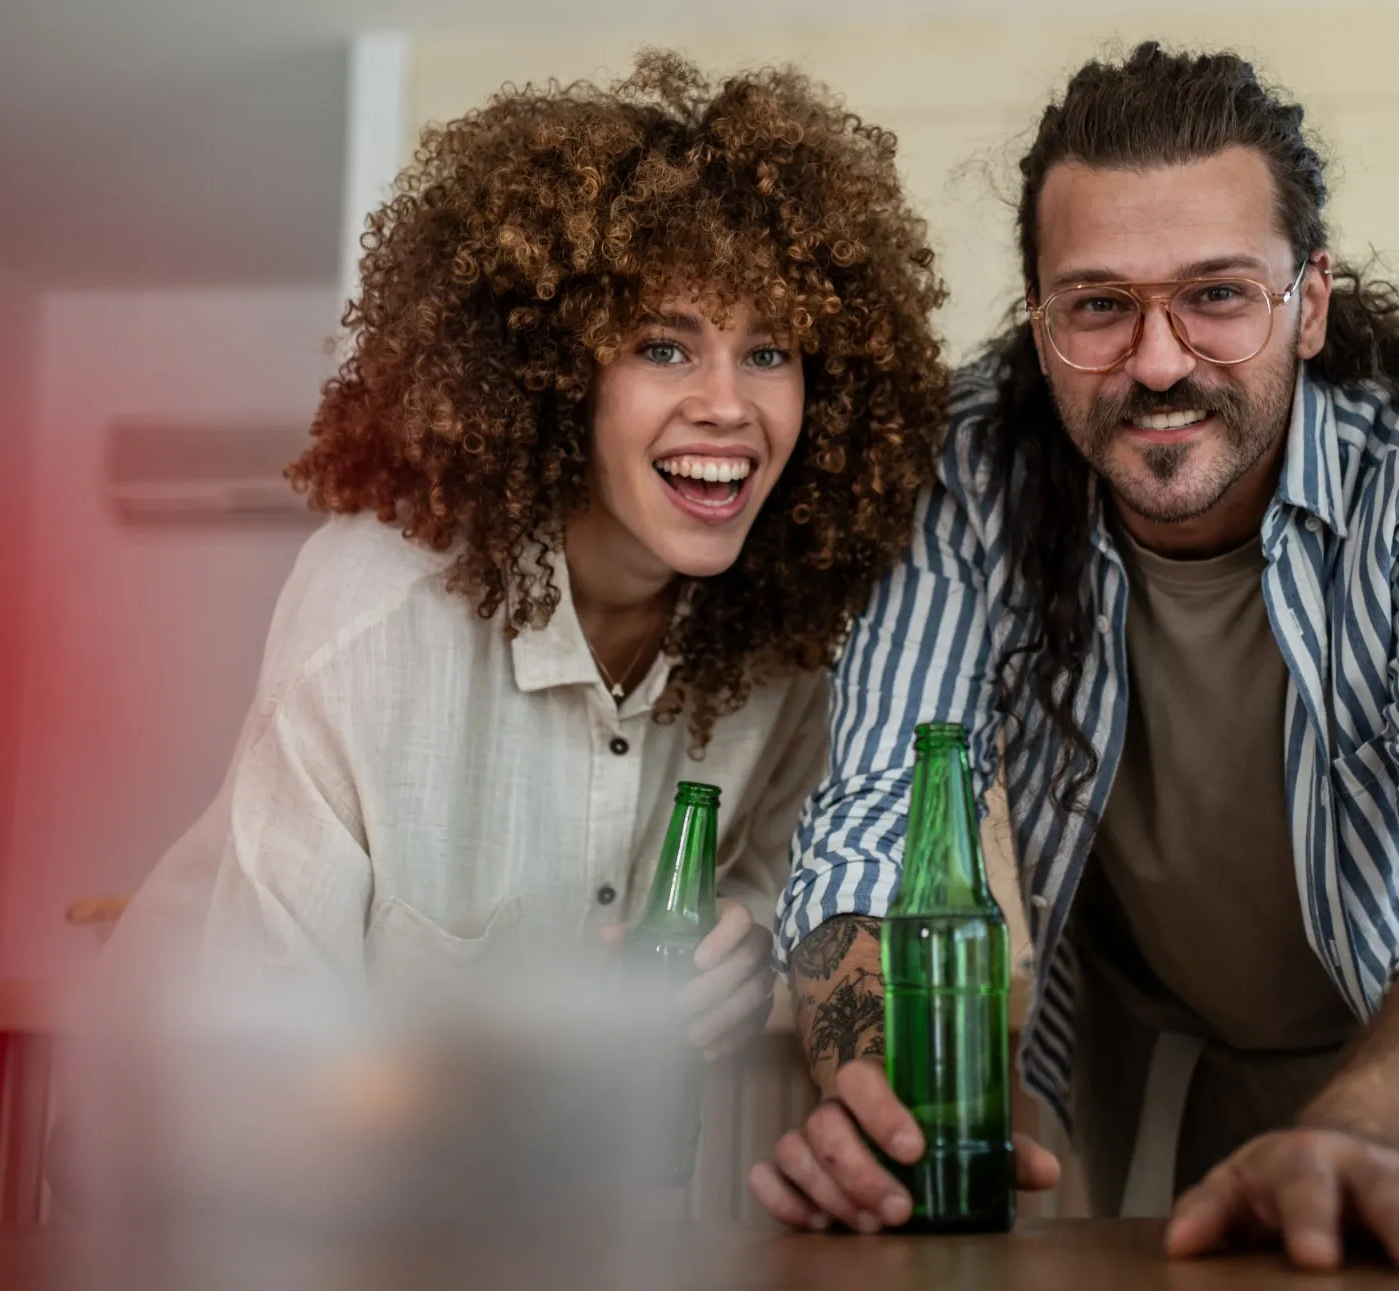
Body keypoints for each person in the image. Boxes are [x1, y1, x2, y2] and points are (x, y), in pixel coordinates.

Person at [752, 43, 1399, 1274]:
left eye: (1216, 295)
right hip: (1151, 1075)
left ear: (1308, 303)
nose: (1158, 363)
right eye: (1099, 306)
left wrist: (1359, 1140)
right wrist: (876, 1092)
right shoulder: (971, 469)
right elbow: (880, 809)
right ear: (1040, 320)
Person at [100, 53, 947, 1064]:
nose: (728, 404)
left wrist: (745, 952)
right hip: (183, 1118)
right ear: (555, 372)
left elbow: (768, 892)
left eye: (770, 353)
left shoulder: (787, 652)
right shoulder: (373, 610)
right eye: (663, 346)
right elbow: (264, 1052)